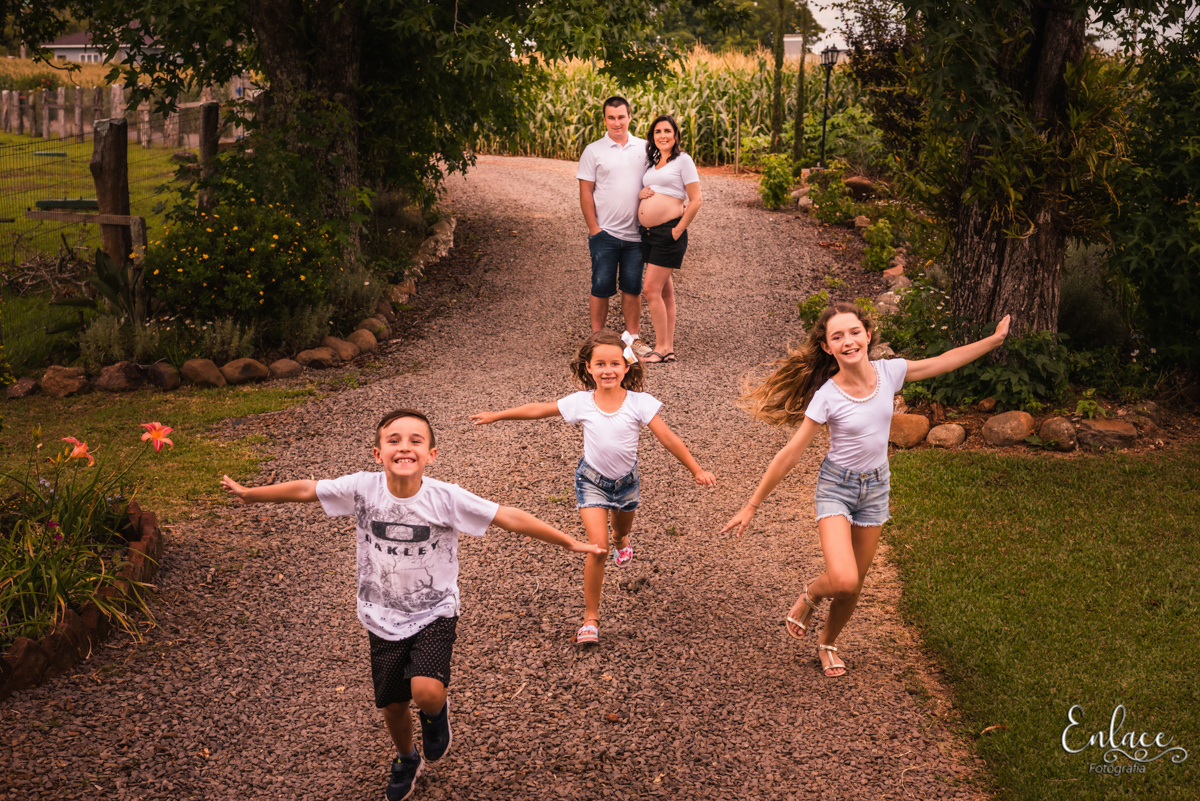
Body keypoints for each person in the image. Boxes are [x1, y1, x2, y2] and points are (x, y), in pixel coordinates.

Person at [220, 409, 605, 801]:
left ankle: (436, 715)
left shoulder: (445, 498)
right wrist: (251, 494)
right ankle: (407, 757)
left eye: (415, 441)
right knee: (393, 706)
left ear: (431, 455)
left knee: (426, 691)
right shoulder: (362, 488)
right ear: (378, 453)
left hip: (433, 611)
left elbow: (506, 516)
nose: (404, 447)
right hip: (380, 616)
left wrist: (568, 542)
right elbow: (308, 490)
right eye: (394, 440)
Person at [721, 304, 1010, 677]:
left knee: (854, 584)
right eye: (837, 336)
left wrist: (994, 340)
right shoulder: (827, 395)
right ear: (827, 347)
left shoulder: (889, 372)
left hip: (875, 488)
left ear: (868, 335)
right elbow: (790, 453)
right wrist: (752, 505)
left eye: (854, 332)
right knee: (843, 579)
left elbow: (944, 361)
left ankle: (828, 643)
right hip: (837, 488)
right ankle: (812, 593)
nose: (848, 341)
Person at [470, 330, 716, 645]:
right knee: (597, 548)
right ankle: (590, 619)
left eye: (615, 363)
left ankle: (621, 538)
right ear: (588, 367)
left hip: (627, 484)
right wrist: (497, 416)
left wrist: (696, 469)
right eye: (600, 364)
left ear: (627, 366)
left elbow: (668, 438)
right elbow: (538, 409)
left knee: (619, 531)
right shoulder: (581, 402)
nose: (607, 370)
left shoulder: (640, 403)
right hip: (591, 482)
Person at [578, 96, 651, 356]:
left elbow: (661, 178)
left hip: (637, 234)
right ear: (605, 120)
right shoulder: (593, 151)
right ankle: (596, 338)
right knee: (601, 286)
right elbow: (586, 192)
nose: (617, 122)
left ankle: (633, 338)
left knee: (632, 287)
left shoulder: (644, 148)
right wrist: (594, 229)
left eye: (621, 117)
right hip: (605, 233)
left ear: (630, 117)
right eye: (611, 117)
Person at [636, 114, 702, 364]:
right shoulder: (654, 163)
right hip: (650, 234)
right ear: (652, 136)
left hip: (668, 233)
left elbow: (696, 200)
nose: (662, 135)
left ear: (675, 135)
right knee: (665, 292)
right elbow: (658, 190)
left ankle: (661, 348)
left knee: (650, 289)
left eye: (667, 131)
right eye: (657, 131)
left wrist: (678, 230)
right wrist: (642, 194)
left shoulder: (683, 160)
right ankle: (668, 348)